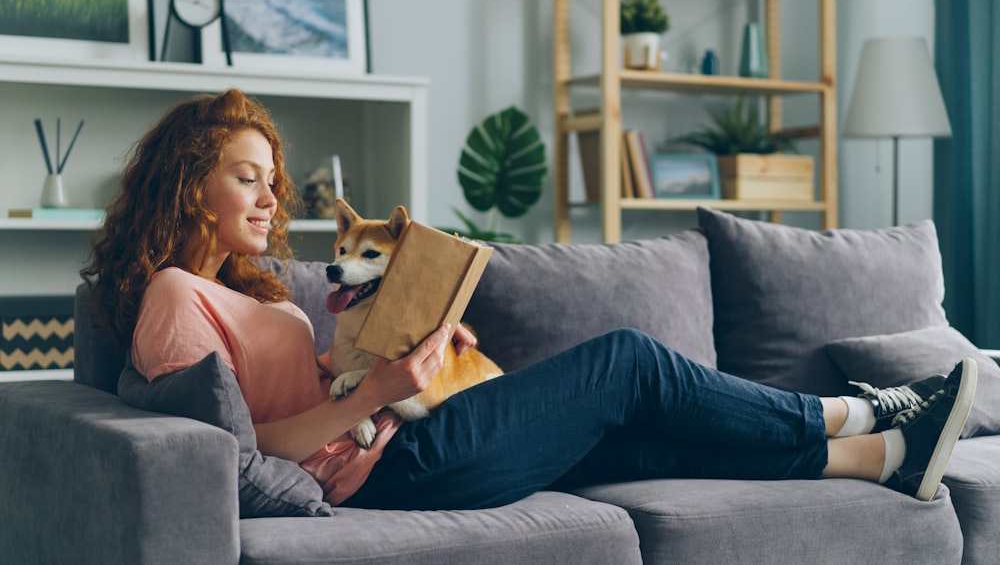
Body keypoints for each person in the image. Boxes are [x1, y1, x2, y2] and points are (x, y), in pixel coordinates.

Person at [82, 89, 978, 511]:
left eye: (272, 178)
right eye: (249, 177)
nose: (273, 197)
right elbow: (232, 456)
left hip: (399, 433)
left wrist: (410, 350)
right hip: (389, 470)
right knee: (626, 360)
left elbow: (301, 394)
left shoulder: (251, 289)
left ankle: (889, 453)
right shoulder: (174, 295)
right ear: (190, 183)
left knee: (645, 438)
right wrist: (378, 389)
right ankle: (853, 408)